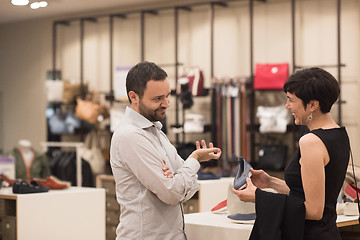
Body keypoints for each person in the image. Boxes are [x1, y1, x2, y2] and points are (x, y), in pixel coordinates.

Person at [233, 67, 350, 240]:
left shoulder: (310, 141)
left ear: (312, 105)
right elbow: (308, 194)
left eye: (291, 100)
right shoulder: (339, 134)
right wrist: (270, 182)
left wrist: (258, 197)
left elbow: (314, 210)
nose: (287, 106)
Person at [110, 61, 221, 240]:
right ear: (134, 97)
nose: (167, 104)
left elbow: (187, 189)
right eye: (157, 99)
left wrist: (179, 179)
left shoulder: (155, 131)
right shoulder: (130, 136)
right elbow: (173, 193)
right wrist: (194, 160)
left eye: (167, 96)